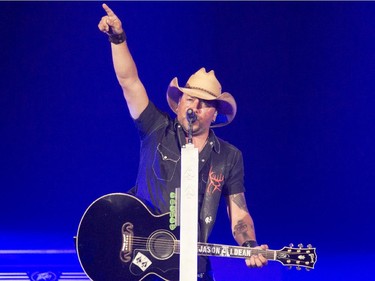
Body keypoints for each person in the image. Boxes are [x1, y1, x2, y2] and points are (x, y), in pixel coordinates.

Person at [98, 3, 268, 281]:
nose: (196, 106)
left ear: (215, 114)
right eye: (190, 99)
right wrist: (118, 38)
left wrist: (249, 245)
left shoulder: (228, 156)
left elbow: (239, 214)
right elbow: (129, 81)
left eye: (204, 103)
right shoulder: (156, 128)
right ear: (178, 105)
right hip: (144, 263)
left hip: (194, 268)